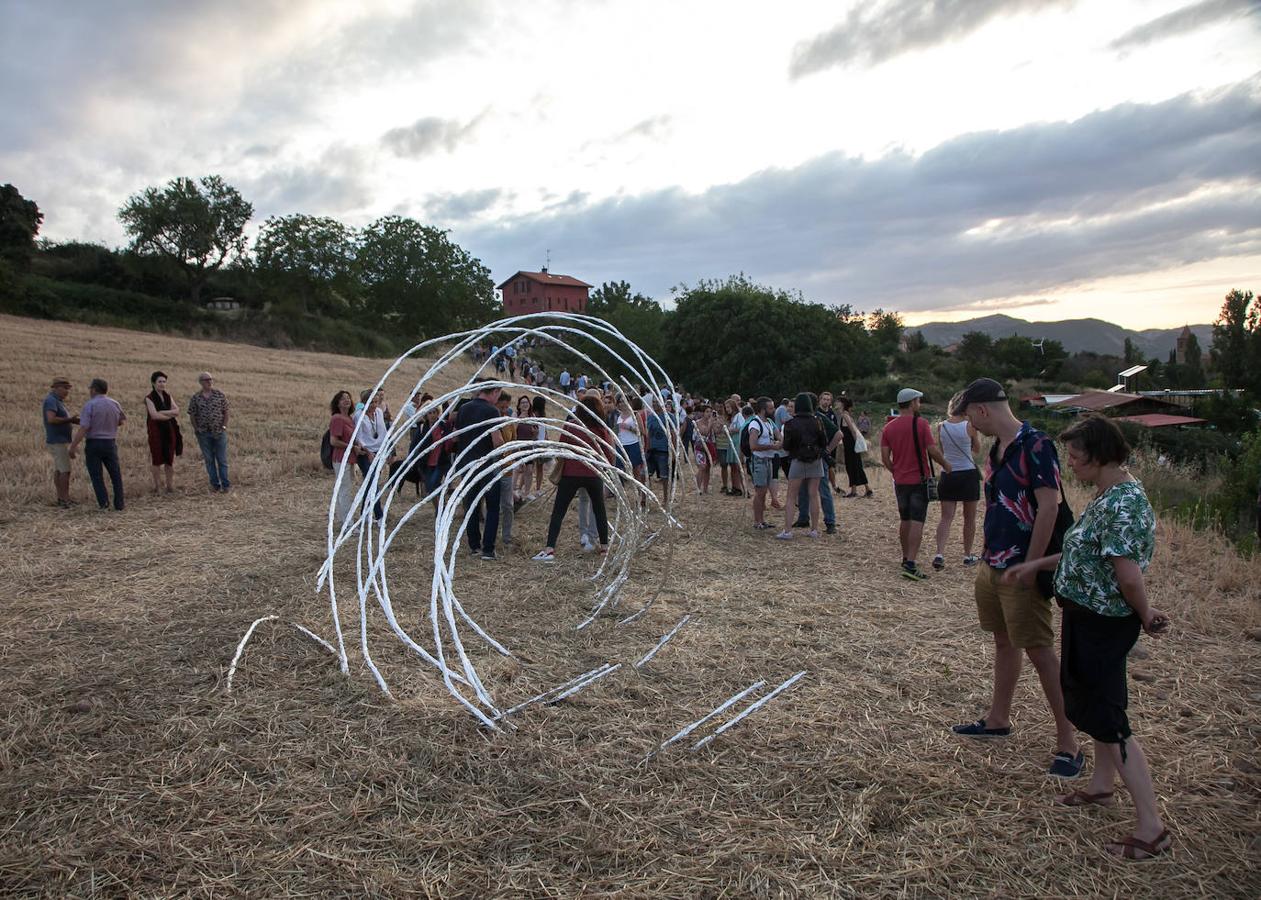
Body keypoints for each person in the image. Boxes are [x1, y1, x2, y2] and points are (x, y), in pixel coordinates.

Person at [1002, 415, 1171, 860]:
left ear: (1098, 456)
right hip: (1085, 616)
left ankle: (1151, 828)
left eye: (1076, 457)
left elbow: (1129, 577)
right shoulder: (1107, 496)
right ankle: (1100, 787)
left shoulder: (1123, 504)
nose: (1071, 464)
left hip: (1103, 623)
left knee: (1111, 720)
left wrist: (1146, 612)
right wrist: (1036, 566)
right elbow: (1081, 550)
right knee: (1095, 709)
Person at [950, 378, 1083, 779]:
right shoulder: (999, 448)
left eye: (971, 417)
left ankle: (1068, 744)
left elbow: (1048, 507)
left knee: (1041, 652)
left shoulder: (1038, 446)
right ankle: (997, 719)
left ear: (982, 410)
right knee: (1004, 641)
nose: (971, 426)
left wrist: (1032, 564)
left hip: (1021, 568)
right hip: (994, 564)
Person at [533, 395, 614, 562]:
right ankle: (605, 547)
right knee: (599, 510)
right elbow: (609, 454)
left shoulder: (572, 426)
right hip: (593, 473)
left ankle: (549, 549)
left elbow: (562, 447)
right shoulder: (601, 429)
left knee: (559, 511)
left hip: (571, 474)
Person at [881, 388, 951, 580]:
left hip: (900, 481)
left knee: (904, 519)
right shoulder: (921, 424)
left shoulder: (889, 428)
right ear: (912, 403)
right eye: (918, 401)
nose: (919, 404)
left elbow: (885, 457)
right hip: (919, 480)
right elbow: (932, 450)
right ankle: (911, 563)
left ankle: (905, 558)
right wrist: (945, 464)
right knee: (917, 521)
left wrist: (896, 470)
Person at [455, 380, 506, 561]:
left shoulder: (464, 408)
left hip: (467, 464)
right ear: (494, 391)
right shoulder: (492, 411)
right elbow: (497, 441)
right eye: (499, 394)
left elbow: (458, 435)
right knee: (492, 507)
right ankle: (488, 550)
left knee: (472, 506)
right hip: (487, 465)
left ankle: (474, 545)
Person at [932, 392, 982, 570]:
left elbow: (942, 449)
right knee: (969, 518)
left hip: (948, 473)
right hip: (968, 474)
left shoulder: (941, 426)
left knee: (946, 517)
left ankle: (939, 553)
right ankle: (967, 555)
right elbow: (977, 449)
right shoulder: (969, 425)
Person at [68, 378, 126, 511]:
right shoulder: (115, 403)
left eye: (90, 389)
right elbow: (121, 421)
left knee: (96, 475)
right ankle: (119, 503)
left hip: (94, 443)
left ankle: (104, 503)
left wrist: (73, 445)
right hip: (110, 442)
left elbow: (84, 427)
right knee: (115, 474)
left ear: (94, 389)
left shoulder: (90, 405)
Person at [778, 393, 828, 539]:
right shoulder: (817, 421)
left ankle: (787, 531)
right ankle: (814, 530)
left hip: (797, 460)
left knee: (791, 496)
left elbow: (786, 446)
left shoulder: (790, 423)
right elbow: (823, 442)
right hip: (815, 460)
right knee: (814, 495)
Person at [793, 393, 839, 534]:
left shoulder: (819, 417)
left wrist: (827, 450)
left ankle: (830, 522)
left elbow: (839, 434)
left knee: (822, 491)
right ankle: (804, 518)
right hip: (811, 457)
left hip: (817, 459)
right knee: (804, 490)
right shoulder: (814, 418)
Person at [187, 372, 230, 493]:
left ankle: (225, 485)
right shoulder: (196, 397)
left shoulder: (220, 395)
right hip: (204, 434)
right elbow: (192, 414)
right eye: (206, 380)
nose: (209, 381)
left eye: (210, 379)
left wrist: (224, 426)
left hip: (219, 432)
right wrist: (196, 429)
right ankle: (215, 485)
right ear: (200, 382)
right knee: (209, 460)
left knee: (222, 460)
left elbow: (226, 411)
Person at [144, 370, 183, 494]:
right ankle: (157, 487)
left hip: (169, 430)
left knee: (169, 459)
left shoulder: (167, 396)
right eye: (159, 381)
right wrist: (169, 415)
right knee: (156, 459)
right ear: (153, 383)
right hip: (156, 431)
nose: (162, 384)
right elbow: (154, 416)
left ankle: (170, 486)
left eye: (164, 381)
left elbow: (177, 411)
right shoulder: (149, 398)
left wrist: (163, 412)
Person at [43, 377, 79, 508]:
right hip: (57, 440)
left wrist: (71, 420)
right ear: (56, 387)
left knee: (59, 469)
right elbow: (51, 419)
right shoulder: (51, 401)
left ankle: (61, 497)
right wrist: (70, 419)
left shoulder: (56, 401)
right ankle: (65, 499)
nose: (67, 391)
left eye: (68, 389)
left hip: (58, 439)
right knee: (65, 471)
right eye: (65, 388)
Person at [354, 391, 389, 521]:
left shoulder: (379, 412)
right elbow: (358, 437)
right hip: (365, 453)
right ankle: (379, 515)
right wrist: (368, 453)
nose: (374, 405)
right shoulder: (359, 415)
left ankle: (365, 514)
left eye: (376, 402)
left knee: (371, 483)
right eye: (371, 402)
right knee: (372, 480)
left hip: (378, 451)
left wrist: (386, 450)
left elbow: (383, 432)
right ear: (364, 402)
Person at [747, 397, 782, 530]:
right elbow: (753, 446)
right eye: (770, 408)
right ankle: (757, 521)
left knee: (763, 491)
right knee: (760, 492)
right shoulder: (755, 424)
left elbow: (779, 437)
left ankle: (761, 520)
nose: (773, 410)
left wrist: (778, 443)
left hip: (768, 460)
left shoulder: (769, 422)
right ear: (763, 409)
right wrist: (772, 446)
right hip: (759, 460)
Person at [327, 390, 360, 527]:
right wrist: (351, 447)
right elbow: (333, 441)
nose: (346, 400)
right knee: (345, 491)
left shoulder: (350, 419)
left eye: (348, 398)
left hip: (350, 459)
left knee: (344, 489)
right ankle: (348, 523)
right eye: (342, 399)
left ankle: (343, 520)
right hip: (341, 459)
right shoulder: (337, 418)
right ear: (337, 403)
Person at [837, 396, 873, 499]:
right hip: (851, 444)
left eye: (838, 402)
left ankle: (860, 490)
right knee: (855, 466)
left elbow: (853, 430)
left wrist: (857, 443)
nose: (837, 404)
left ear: (842, 404)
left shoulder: (845, 416)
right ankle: (864, 489)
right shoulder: (847, 415)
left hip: (851, 445)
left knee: (853, 466)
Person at [495, 392, 517, 548]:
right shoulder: (490, 421)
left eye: (506, 406)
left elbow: (514, 443)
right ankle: (491, 534)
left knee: (508, 505)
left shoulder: (510, 423)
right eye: (501, 406)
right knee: (493, 504)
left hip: (507, 468)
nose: (504, 409)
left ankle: (507, 536)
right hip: (492, 467)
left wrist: (515, 459)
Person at [716, 399, 744, 497]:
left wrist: (731, 429)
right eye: (726, 407)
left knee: (737, 465)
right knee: (733, 466)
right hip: (732, 442)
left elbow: (742, 427)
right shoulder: (732, 418)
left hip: (737, 442)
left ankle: (740, 487)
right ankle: (735, 487)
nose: (727, 409)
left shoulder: (739, 416)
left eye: (728, 407)